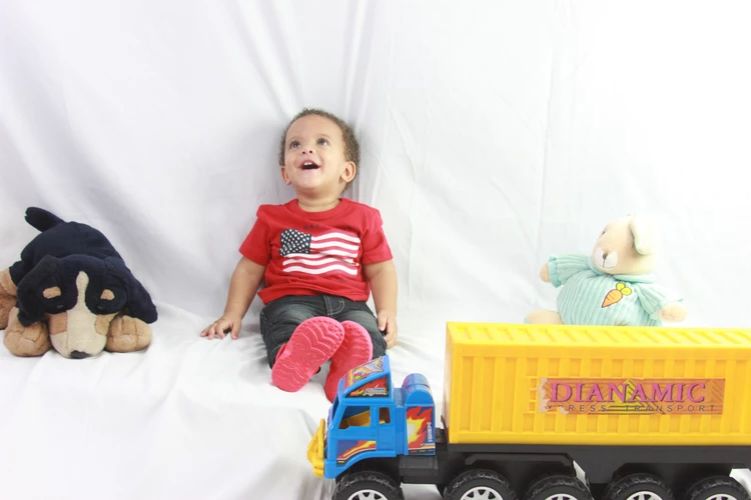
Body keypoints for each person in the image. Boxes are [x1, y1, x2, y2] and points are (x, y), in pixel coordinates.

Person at [201, 109, 397, 401]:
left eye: (322, 142)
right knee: (288, 324)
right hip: (292, 300)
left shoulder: (364, 218)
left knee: (366, 333)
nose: (307, 149)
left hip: (350, 304)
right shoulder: (273, 218)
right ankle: (290, 360)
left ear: (346, 171)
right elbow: (249, 269)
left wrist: (387, 311)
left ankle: (351, 373)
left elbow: (381, 268)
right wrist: (232, 313)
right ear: (286, 173)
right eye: (296, 144)